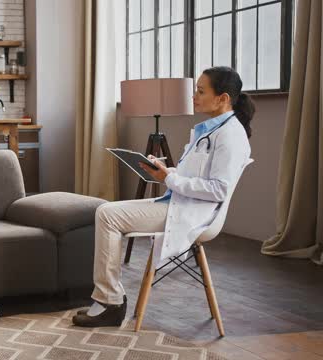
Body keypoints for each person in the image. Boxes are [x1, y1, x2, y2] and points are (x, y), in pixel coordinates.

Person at [73, 67, 254, 327]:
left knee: (108, 214)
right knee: (108, 210)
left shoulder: (230, 135)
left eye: (201, 91)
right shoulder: (208, 130)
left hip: (195, 213)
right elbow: (196, 175)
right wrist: (167, 171)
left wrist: (169, 178)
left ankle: (110, 301)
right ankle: (108, 298)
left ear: (223, 98)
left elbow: (218, 189)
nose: (195, 96)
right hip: (178, 203)